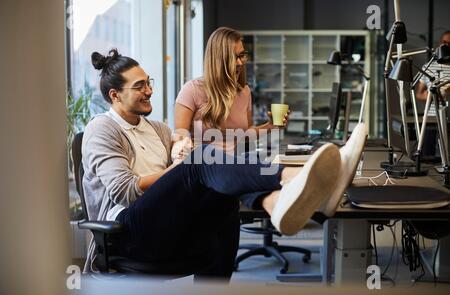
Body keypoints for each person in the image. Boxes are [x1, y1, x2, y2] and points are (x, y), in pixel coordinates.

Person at [81, 49, 340, 280]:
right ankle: (294, 176)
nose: (149, 90)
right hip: (126, 234)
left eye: (149, 82)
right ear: (114, 95)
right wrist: (183, 166)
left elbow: (182, 170)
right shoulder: (102, 128)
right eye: (139, 86)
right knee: (203, 159)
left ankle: (284, 202)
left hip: (165, 223)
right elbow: (124, 191)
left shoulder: (157, 128)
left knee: (221, 190)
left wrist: (183, 154)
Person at [174, 27, 289, 157]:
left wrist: (271, 126)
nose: (240, 63)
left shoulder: (244, 92)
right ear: (218, 59)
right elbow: (180, 140)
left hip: (232, 164)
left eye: (241, 56)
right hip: (202, 167)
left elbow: (245, 135)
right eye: (233, 58)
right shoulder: (192, 90)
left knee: (280, 169)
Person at [416, 30, 450, 102]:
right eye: (444, 42)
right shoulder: (428, 67)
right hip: (432, 113)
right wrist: (429, 96)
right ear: (440, 43)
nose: (447, 46)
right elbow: (419, 95)